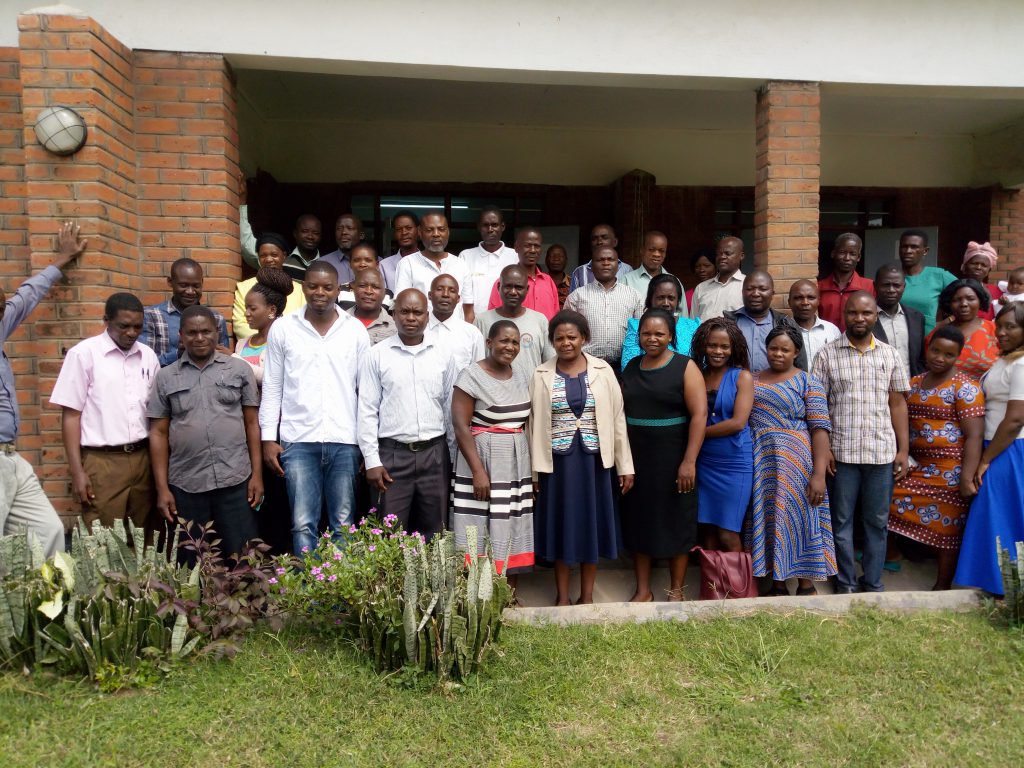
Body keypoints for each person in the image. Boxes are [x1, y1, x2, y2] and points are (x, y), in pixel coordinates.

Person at [259, 260, 370, 554]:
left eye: (327, 287)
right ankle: (307, 584)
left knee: (343, 523)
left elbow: (366, 392)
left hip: (345, 440)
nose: (320, 292)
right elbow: (272, 386)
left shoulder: (355, 330)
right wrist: (268, 438)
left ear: (338, 290)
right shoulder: (283, 328)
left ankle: (341, 583)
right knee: (302, 523)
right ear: (303, 287)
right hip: (298, 440)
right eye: (313, 286)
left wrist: (367, 444)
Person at [529, 310, 634, 606]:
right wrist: (534, 473)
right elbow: (532, 425)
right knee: (561, 527)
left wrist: (625, 466)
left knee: (592, 526)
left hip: (595, 464)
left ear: (584, 338)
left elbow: (617, 419)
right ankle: (562, 597)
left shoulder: (603, 370)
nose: (566, 343)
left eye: (572, 337)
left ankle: (587, 597)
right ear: (552, 341)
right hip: (556, 465)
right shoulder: (541, 374)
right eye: (559, 338)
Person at [148, 305, 262, 564]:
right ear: (181, 335)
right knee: (191, 561)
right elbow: (158, 433)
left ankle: (248, 594)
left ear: (217, 332)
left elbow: (252, 423)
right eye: (192, 332)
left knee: (243, 557)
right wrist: (162, 488)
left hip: (235, 479)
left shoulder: (238, 369)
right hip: (186, 484)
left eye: (206, 332)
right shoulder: (166, 377)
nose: (199, 338)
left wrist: (257, 475)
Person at [813, 292, 910, 593]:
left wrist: (903, 449)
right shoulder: (827, 355)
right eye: (853, 313)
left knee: (876, 523)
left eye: (866, 313)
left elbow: (898, 404)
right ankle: (845, 583)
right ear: (845, 316)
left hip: (881, 453)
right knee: (841, 522)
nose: (859, 318)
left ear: (875, 316)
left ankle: (873, 582)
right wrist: (825, 450)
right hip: (842, 454)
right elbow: (817, 407)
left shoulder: (890, 354)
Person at [1, 222, 85, 556]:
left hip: (10, 457)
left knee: (47, 532)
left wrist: (61, 260)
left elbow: (25, 297)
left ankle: (43, 591)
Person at [50, 292, 159, 533]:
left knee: (143, 536)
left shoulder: (148, 356)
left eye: (137, 327)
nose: (131, 333)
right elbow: (71, 416)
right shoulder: (84, 354)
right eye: (124, 326)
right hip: (102, 462)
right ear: (106, 321)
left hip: (143, 458)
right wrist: (77, 472)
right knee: (103, 538)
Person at [888, 325, 985, 590]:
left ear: (958, 356)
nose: (940, 358)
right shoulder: (914, 383)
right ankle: (895, 553)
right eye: (936, 351)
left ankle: (942, 585)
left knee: (947, 530)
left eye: (949, 354)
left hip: (951, 470)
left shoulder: (966, 387)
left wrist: (966, 478)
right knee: (883, 498)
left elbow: (974, 436)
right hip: (917, 466)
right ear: (927, 349)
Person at [621, 309, 707, 602]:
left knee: (676, 521)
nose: (652, 338)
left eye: (659, 333)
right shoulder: (632, 366)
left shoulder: (685, 366)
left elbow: (699, 415)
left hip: (674, 457)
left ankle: (676, 591)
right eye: (646, 333)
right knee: (639, 520)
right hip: (638, 457)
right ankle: (643, 590)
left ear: (671, 336)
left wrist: (689, 461)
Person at [358, 289, 458, 540]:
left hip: (434, 455)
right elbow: (367, 410)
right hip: (392, 457)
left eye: (417, 312)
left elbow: (450, 407)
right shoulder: (376, 354)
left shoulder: (444, 353)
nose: (411, 318)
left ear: (427, 316)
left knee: (435, 534)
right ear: (393, 314)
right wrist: (372, 460)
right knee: (389, 535)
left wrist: (452, 456)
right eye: (404, 311)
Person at [747, 327, 837, 596]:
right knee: (770, 518)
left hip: (797, 462)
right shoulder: (751, 379)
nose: (778, 354)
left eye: (784, 349)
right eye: (773, 348)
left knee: (800, 518)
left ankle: (806, 584)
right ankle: (777, 583)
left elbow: (820, 429)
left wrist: (818, 474)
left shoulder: (808, 382)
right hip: (762, 460)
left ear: (796, 352)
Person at [451, 321, 534, 585]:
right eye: (504, 341)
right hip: (481, 460)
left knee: (511, 521)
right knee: (476, 524)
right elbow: (460, 426)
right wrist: (478, 471)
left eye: (515, 342)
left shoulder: (521, 374)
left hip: (515, 462)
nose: (510, 347)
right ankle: (475, 593)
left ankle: (508, 593)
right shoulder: (471, 376)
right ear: (489, 343)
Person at [955, 302, 1024, 595]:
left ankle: (1004, 587)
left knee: (998, 513)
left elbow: (1016, 418)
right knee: (997, 515)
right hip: (995, 445)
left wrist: (985, 459)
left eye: (1011, 327)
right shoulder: (1007, 360)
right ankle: (999, 585)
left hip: (1007, 448)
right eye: (1000, 326)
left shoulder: (1021, 365)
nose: (1002, 332)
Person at [233, 267, 294, 554]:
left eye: (252, 308)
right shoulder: (243, 344)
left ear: (271, 310)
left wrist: (237, 363)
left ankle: (282, 552)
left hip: (276, 428)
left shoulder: (284, 341)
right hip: (247, 428)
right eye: (246, 308)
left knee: (277, 492)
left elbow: (273, 377)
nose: (246, 314)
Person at [690, 318, 753, 552]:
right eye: (712, 345)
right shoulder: (697, 374)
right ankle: (713, 578)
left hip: (734, 462)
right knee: (707, 532)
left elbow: (738, 423)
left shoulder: (742, 377)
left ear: (733, 348)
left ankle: (739, 578)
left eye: (724, 346)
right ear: (703, 346)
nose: (718, 351)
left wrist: (697, 434)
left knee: (728, 532)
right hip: (704, 461)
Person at [564, 246, 644, 370]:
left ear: (618, 265)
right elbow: (567, 333)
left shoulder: (634, 296)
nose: (606, 263)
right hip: (587, 366)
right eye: (600, 260)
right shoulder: (576, 297)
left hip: (624, 367)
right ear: (592, 266)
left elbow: (641, 332)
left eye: (610, 259)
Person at [141, 258, 229, 367]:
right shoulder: (151, 316)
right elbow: (145, 365)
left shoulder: (216, 319)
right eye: (183, 285)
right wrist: (178, 354)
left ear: (202, 283)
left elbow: (224, 362)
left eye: (196, 286)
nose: (190, 291)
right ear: (170, 282)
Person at [475, 265, 554, 377]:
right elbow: (475, 364)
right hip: (490, 387)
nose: (513, 292)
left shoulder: (540, 320)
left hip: (531, 387)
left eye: (519, 287)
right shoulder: (481, 320)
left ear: (527, 290)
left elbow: (550, 363)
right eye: (508, 286)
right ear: (499, 287)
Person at [396, 211, 474, 322]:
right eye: (429, 230)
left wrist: (465, 331)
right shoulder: (407, 263)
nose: (436, 234)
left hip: (456, 331)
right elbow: (401, 304)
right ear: (419, 232)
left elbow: (468, 309)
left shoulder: (461, 265)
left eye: (441, 229)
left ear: (448, 232)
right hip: (421, 331)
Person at [724, 270, 808, 373]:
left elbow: (801, 366)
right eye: (750, 289)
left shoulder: (786, 324)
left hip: (777, 383)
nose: (755, 294)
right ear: (742, 292)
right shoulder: (728, 323)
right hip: (736, 383)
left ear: (772, 294)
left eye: (762, 289)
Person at [232, 232, 306, 341]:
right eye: (263, 255)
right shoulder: (244, 287)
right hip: (256, 346)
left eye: (274, 255)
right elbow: (240, 325)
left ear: (284, 256)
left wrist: (284, 342)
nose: (268, 259)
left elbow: (304, 323)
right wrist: (268, 340)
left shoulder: (299, 290)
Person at [620, 274, 700, 369]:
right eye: (660, 298)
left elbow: (701, 362)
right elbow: (628, 366)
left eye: (671, 298)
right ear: (650, 299)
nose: (666, 303)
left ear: (678, 301)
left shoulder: (692, 327)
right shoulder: (636, 326)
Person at [459, 205, 518, 320]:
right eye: (485, 225)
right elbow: (462, 294)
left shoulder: (515, 256)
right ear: (479, 227)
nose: (490, 229)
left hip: (508, 322)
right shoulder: (466, 256)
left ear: (502, 226)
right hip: (474, 322)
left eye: (494, 225)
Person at [932, 278, 999, 380]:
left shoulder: (996, 330)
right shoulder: (938, 333)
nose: (964, 304)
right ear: (949, 303)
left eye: (970, 299)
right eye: (956, 300)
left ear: (980, 301)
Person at [487, 227, 560, 320]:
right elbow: (492, 318)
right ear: (516, 247)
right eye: (527, 245)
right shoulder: (504, 283)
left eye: (536, 246)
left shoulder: (548, 281)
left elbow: (556, 316)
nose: (533, 250)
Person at [873, 264, 927, 379]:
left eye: (896, 285)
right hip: (878, 386)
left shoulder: (917, 318)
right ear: (875, 286)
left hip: (911, 385)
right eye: (886, 285)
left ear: (904, 287)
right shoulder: (865, 318)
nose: (891, 290)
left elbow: (921, 358)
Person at [898, 229, 957, 334]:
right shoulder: (892, 277)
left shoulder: (939, 276)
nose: (908, 251)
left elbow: (968, 294)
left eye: (914, 247)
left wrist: (947, 321)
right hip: (896, 339)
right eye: (904, 246)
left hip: (928, 340)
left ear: (925, 251)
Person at [426, 274, 485, 372]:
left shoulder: (473, 334)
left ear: (458, 299)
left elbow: (478, 374)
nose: (445, 294)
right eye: (439, 289)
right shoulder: (417, 331)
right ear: (430, 295)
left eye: (452, 291)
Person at [817, 233, 874, 330]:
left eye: (852, 254)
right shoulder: (820, 287)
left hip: (857, 338)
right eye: (842, 252)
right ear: (833, 253)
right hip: (826, 339)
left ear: (858, 257)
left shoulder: (870, 286)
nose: (847, 258)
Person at [788, 279, 841, 371]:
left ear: (819, 301)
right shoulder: (783, 332)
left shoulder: (832, 330)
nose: (805, 302)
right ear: (789, 302)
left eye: (811, 298)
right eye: (799, 298)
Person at [690, 236, 746, 320]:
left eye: (727, 253)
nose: (722, 257)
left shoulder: (747, 286)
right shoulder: (701, 288)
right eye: (719, 254)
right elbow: (693, 322)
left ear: (741, 256)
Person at [568, 224, 632, 291]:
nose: (599, 242)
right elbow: (574, 297)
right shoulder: (580, 272)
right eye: (594, 239)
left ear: (615, 242)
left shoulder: (627, 270)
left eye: (604, 237)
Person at [337, 243, 394, 312]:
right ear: (350, 264)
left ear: (377, 264)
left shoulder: (387, 294)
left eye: (368, 260)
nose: (362, 264)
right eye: (356, 260)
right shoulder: (339, 291)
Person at [347, 268, 396, 345]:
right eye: (362, 286)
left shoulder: (395, 328)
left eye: (375, 287)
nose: (368, 291)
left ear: (384, 293)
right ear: (354, 290)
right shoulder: (338, 322)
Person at [621, 230, 673, 297]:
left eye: (661, 251)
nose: (657, 254)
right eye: (651, 250)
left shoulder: (674, 282)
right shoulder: (626, 280)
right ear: (642, 250)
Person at [960, 241, 1002, 321]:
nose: (979, 267)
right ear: (965, 266)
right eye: (974, 263)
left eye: (984, 265)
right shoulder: (956, 289)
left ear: (989, 270)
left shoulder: (997, 291)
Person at [380, 211, 419, 294]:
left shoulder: (428, 262)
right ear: (394, 234)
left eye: (408, 228)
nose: (404, 232)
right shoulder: (384, 266)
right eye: (398, 229)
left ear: (418, 230)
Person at [320, 213, 364, 284]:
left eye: (349, 228)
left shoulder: (377, 263)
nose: (343, 232)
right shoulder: (322, 263)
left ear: (361, 235)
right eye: (339, 229)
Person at [685, 248, 716, 316]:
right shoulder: (687, 295)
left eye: (707, 266)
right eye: (697, 266)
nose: (702, 270)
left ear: (716, 267)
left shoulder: (720, 290)